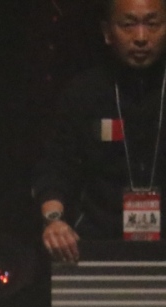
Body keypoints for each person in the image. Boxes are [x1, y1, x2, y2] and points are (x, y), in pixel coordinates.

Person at [35, 0, 166, 262]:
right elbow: (56, 167)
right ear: (107, 32)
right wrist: (54, 221)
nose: (141, 37)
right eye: (128, 25)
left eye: (152, 24)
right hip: (97, 244)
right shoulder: (83, 93)